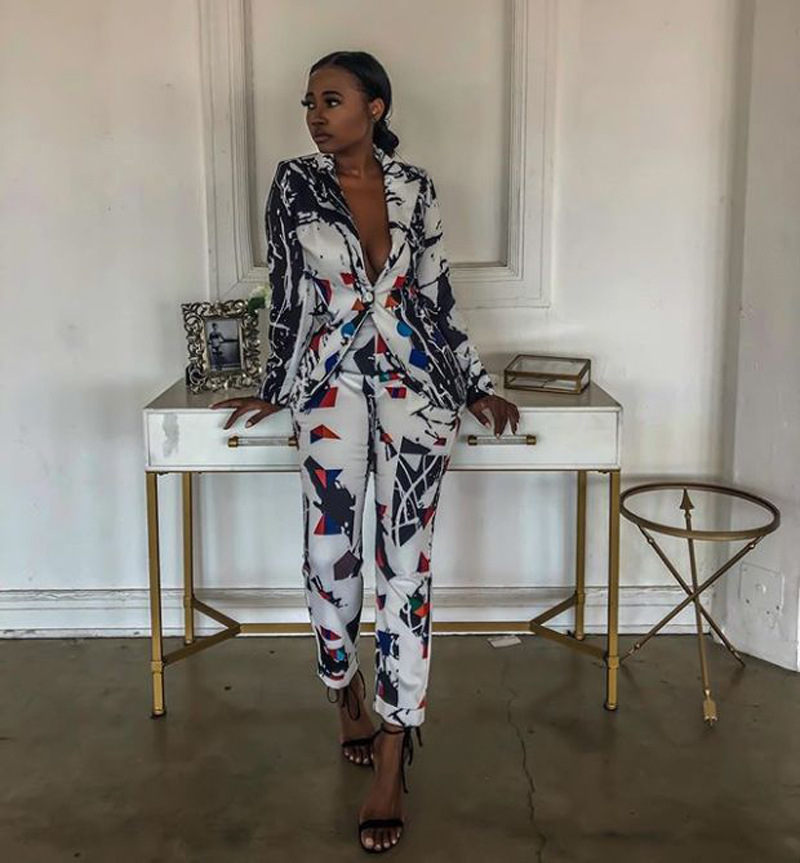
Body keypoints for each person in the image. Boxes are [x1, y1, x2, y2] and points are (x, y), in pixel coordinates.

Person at [213, 50, 519, 854]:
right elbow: (287, 292)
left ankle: (393, 742)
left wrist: (476, 384)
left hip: (418, 386)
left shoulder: (416, 187)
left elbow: (437, 291)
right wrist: (273, 386)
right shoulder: (294, 184)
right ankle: (340, 681)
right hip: (330, 383)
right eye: (310, 102)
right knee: (330, 554)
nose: (315, 115)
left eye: (331, 99)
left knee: (407, 563)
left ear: (374, 108)